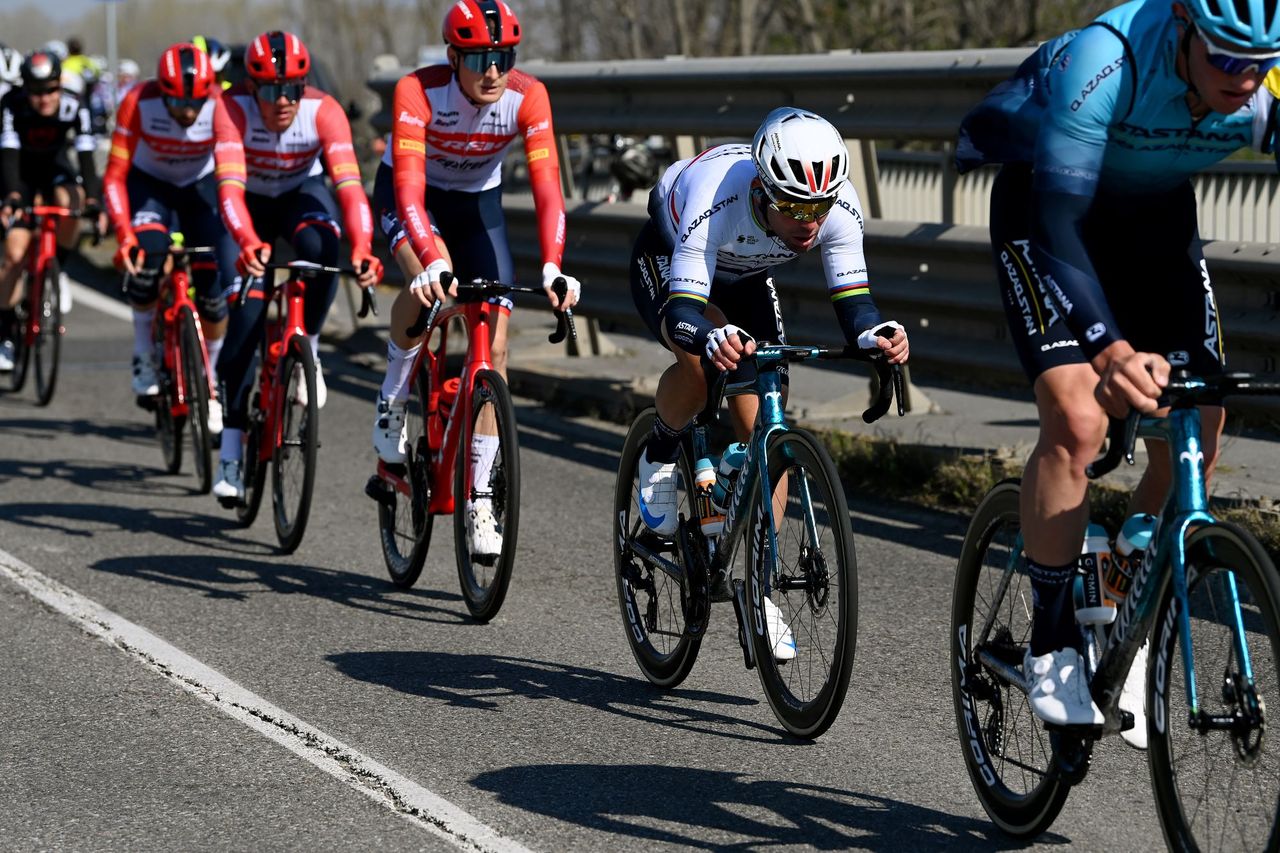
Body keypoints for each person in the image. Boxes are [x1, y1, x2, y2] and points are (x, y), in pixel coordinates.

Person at [954, 0, 1280, 741]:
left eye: (1260, 63)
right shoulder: (1105, 61)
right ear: (1185, 31)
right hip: (1054, 215)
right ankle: (1051, 637)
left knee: (1198, 421)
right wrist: (1108, 351)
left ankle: (1128, 572)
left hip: (1156, 221)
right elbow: (1057, 222)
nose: (1245, 78)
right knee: (1077, 418)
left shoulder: (1268, 82)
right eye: (1227, 58)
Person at [628, 106, 909, 660]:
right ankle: (659, 451)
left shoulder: (837, 205)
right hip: (673, 257)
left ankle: (760, 586)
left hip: (748, 274)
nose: (808, 222)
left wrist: (877, 334)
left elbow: (854, 303)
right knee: (703, 361)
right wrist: (708, 337)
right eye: (792, 206)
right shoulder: (717, 198)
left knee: (767, 424)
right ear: (762, 189)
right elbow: (683, 309)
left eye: (818, 208)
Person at [370, 0, 581, 556]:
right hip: (410, 198)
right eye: (480, 58)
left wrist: (555, 265)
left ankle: (480, 497)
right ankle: (393, 403)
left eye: (503, 56)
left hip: (476, 205)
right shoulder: (418, 91)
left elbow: (548, 190)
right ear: (453, 57)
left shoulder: (527, 96)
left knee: (497, 344)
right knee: (430, 288)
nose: (493, 70)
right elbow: (411, 192)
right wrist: (431, 261)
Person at [211, 30, 381, 504]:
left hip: (298, 197)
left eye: (292, 89)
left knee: (324, 247)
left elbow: (349, 188)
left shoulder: (322, 110)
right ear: (251, 87)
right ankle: (229, 446)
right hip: (245, 206)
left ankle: (308, 344)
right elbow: (227, 191)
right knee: (245, 319)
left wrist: (364, 247)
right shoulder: (230, 107)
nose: (282, 101)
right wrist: (246, 241)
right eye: (269, 90)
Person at [103, 42, 235, 437]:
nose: (189, 111)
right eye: (178, 101)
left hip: (200, 187)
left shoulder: (221, 105)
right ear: (162, 90)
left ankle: (209, 385)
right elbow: (113, 175)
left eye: (196, 102)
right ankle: (144, 353)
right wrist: (125, 234)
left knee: (213, 292)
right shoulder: (139, 101)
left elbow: (235, 174)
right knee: (147, 259)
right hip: (151, 186)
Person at [0, 50, 104, 373]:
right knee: (15, 254)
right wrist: (13, 196)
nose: (43, 98)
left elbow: (86, 157)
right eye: (35, 91)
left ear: (60, 85)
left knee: (72, 199)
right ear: (24, 88)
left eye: (50, 90)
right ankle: (4, 334)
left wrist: (94, 203)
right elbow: (8, 154)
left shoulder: (75, 105)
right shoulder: (12, 105)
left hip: (55, 168)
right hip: (21, 175)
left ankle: (58, 267)